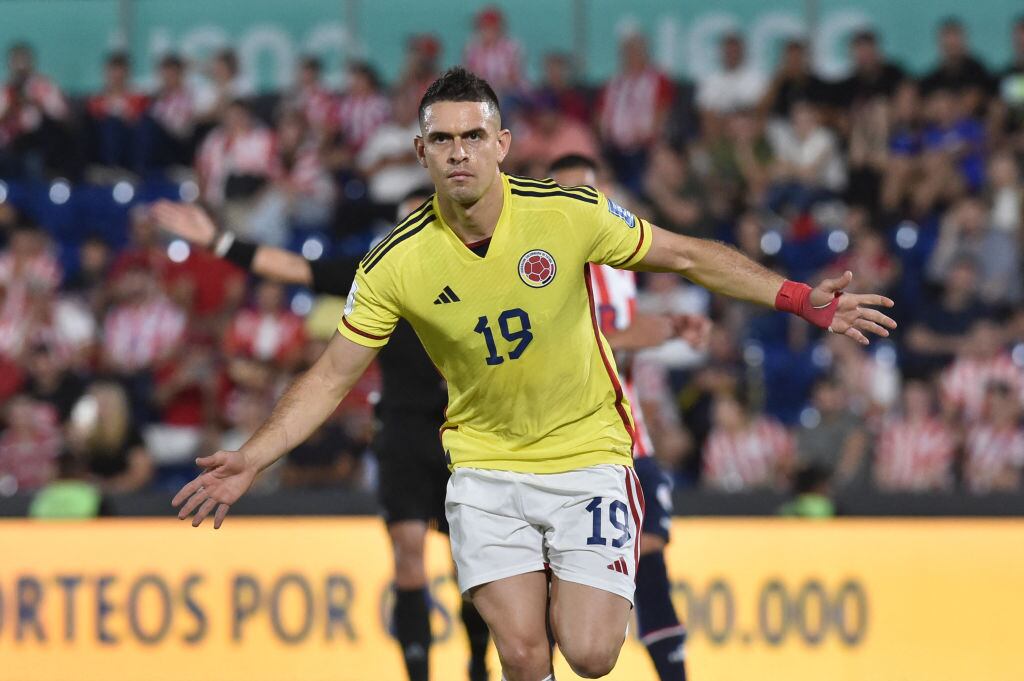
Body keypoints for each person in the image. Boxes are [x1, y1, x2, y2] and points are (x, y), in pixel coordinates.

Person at [170, 68, 895, 681]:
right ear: (421, 151)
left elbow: (685, 256)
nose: (460, 153)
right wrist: (251, 459)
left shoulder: (566, 214)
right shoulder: (394, 262)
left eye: (474, 136)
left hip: (586, 453)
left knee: (590, 652)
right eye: (444, 139)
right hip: (485, 466)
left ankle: (567, 577)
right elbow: (330, 376)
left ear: (503, 145)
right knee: (519, 652)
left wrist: (801, 299)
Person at [152, 188, 492, 681]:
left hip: (467, 431)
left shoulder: (482, 272)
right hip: (402, 428)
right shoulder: (382, 271)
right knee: (409, 556)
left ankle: (478, 665)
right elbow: (296, 269)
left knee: (470, 565)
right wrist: (221, 242)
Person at [549, 153, 703, 681]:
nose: (576, 203)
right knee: (560, 593)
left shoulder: (618, 265)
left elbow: (628, 337)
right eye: (564, 191)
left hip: (630, 441)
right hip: (567, 448)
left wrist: (672, 326)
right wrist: (636, 336)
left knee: (652, 561)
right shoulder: (540, 272)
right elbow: (554, 354)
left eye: (585, 191)